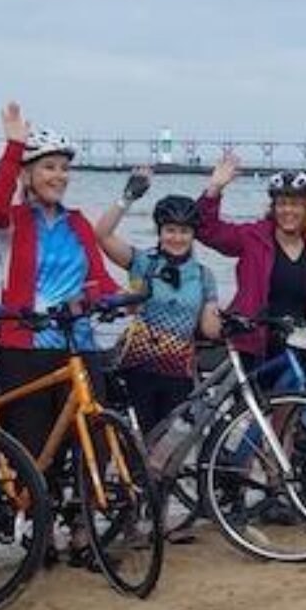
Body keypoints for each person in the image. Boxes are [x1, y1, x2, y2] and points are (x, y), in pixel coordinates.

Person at [0, 101, 118, 462]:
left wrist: (125, 298)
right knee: (34, 451)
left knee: (95, 442)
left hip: (79, 344)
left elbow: (97, 278)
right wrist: (13, 148)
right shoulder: (12, 222)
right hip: (26, 347)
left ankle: (84, 517)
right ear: (27, 175)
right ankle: (28, 517)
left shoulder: (78, 223)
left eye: (64, 168)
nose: (59, 175)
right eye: (48, 167)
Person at [94, 172, 222, 433]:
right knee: (139, 442)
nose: (177, 238)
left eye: (184, 231)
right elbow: (102, 235)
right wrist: (128, 196)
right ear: (160, 231)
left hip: (179, 372)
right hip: (138, 366)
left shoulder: (203, 275)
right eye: (170, 230)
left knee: (169, 447)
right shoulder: (144, 263)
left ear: (193, 234)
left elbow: (210, 329)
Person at [195, 154, 306, 369]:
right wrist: (215, 188)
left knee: (297, 401)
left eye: (296, 204)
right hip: (254, 344)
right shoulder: (253, 238)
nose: (288, 211)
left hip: (298, 348)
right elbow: (206, 230)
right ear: (273, 208)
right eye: (282, 204)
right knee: (251, 404)